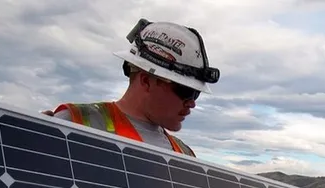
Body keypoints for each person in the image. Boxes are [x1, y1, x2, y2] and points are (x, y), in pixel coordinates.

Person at [43, 19, 220, 157]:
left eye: (196, 93)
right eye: (185, 91)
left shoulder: (185, 155)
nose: (192, 103)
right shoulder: (73, 123)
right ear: (146, 81)